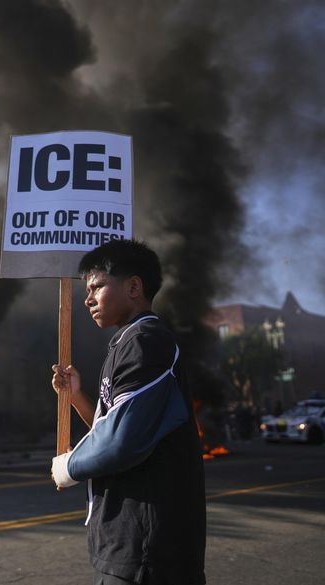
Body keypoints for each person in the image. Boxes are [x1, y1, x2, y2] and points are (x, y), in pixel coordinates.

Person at [50, 239, 206, 585]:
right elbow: (119, 426)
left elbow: (122, 442)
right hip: (134, 544)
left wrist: (68, 467)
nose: (88, 298)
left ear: (134, 286)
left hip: (147, 550)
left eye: (97, 287)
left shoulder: (145, 341)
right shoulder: (129, 341)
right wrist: (76, 397)